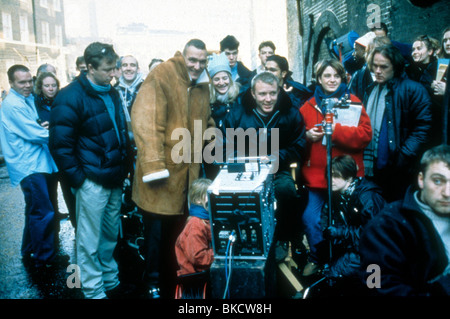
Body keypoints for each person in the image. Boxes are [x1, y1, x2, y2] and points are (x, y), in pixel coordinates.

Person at [130, 39, 215, 299]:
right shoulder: (162, 74)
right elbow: (145, 120)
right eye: (193, 60)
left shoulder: (201, 83)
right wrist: (155, 165)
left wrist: (217, 143)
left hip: (186, 174)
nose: (197, 65)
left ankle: (173, 281)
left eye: (202, 61)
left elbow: (205, 120)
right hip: (162, 173)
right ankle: (153, 282)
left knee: (178, 231)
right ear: (183, 56)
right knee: (156, 232)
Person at [49, 42, 132, 299]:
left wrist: (125, 168)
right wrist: (80, 181)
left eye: (114, 68)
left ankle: (110, 280)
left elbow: (120, 132)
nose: (114, 74)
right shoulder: (69, 96)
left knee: (108, 236)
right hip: (92, 181)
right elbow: (60, 147)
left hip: (114, 177)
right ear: (90, 68)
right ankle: (94, 291)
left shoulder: (112, 92)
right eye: (108, 69)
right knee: (88, 241)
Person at [299, 59, 372, 275]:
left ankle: (345, 261)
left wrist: (336, 131)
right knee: (311, 218)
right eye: (327, 76)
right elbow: (297, 138)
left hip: (347, 177)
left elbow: (365, 136)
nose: (332, 80)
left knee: (345, 221)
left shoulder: (354, 102)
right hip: (318, 178)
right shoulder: (307, 106)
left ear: (342, 78)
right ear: (319, 79)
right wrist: (307, 136)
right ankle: (317, 255)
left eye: (336, 76)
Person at [223, 71, 307, 262]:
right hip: (244, 169)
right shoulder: (237, 115)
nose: (268, 99)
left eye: (272, 93)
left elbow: (300, 146)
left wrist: (276, 158)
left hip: (278, 168)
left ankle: (284, 238)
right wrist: (247, 160)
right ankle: (245, 240)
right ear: (253, 93)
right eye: (262, 94)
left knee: (286, 191)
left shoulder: (291, 113)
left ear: (279, 91)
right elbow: (224, 146)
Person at [360, 144, 450, 296]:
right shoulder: (384, 227)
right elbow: (373, 286)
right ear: (421, 179)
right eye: (438, 181)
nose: (447, 193)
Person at [0, 65, 59, 269]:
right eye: (21, 82)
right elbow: (35, 134)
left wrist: (40, 126)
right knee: (43, 212)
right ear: (12, 83)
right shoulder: (13, 104)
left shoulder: (23, 100)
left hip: (33, 163)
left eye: (29, 81)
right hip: (30, 165)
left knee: (34, 210)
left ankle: (28, 250)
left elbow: (35, 126)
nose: (27, 86)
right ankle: (44, 258)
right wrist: (62, 134)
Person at [363, 44, 432, 203]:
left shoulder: (413, 90)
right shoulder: (371, 89)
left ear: (395, 66)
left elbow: (423, 128)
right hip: (374, 167)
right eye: (375, 66)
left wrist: (404, 155)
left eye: (383, 66)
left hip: (401, 168)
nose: (378, 71)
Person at [318, 155, 385, 294]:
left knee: (370, 287)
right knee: (335, 277)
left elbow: (373, 236)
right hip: (355, 248)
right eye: (329, 175)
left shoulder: (367, 198)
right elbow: (327, 219)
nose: (331, 180)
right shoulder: (337, 196)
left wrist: (341, 232)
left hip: (376, 252)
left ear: (349, 178)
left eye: (335, 176)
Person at [34, 72, 76, 227]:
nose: (51, 89)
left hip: (64, 157)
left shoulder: (63, 101)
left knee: (70, 196)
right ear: (40, 87)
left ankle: (77, 227)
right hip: (46, 157)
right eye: (47, 85)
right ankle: (54, 235)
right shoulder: (35, 104)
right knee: (50, 197)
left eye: (53, 85)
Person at [205, 52, 241, 179]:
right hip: (213, 159)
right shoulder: (208, 103)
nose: (221, 82)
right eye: (216, 79)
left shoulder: (239, 100)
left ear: (230, 79)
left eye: (225, 78)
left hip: (236, 156)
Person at [175, 178, 214, 277]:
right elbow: (198, 258)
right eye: (208, 194)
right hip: (196, 276)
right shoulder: (195, 223)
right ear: (197, 200)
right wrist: (218, 252)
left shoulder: (206, 219)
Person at [114, 55, 144, 124]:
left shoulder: (148, 89)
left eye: (132, 65)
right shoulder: (114, 92)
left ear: (138, 69)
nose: (128, 68)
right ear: (120, 69)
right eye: (125, 65)